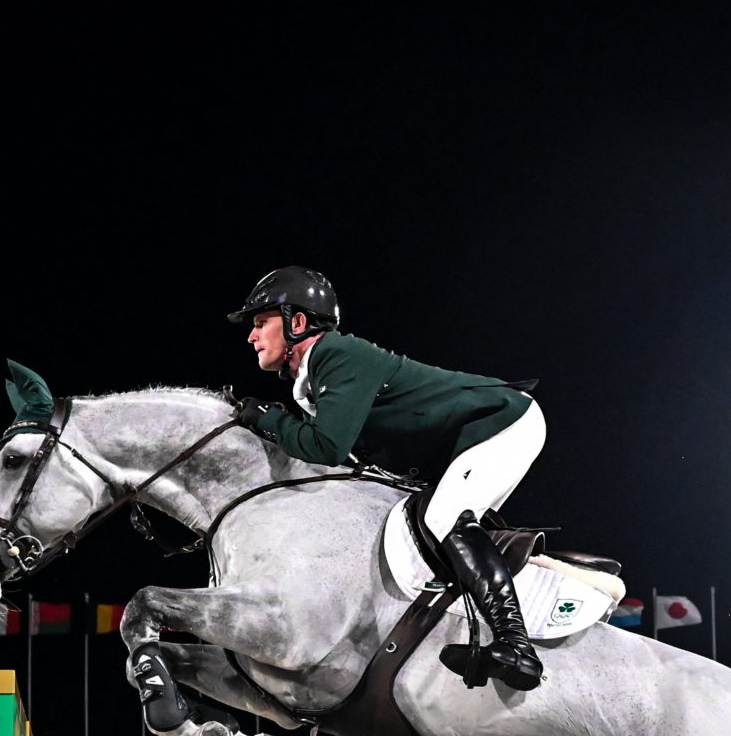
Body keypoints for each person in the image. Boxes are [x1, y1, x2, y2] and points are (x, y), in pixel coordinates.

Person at [228, 266, 548, 690]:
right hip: (478, 436)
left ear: (297, 322)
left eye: (261, 322)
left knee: (443, 519)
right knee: (432, 538)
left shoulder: (336, 355)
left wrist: (269, 421)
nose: (252, 336)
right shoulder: (313, 381)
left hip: (501, 423)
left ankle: (516, 646)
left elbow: (327, 448)